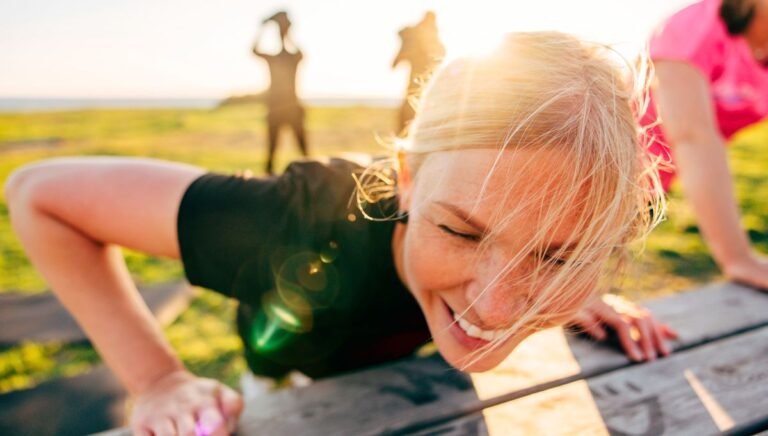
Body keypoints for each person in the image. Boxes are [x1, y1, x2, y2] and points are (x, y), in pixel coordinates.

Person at [6, 32, 675, 436]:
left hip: (415, 376)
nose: (498, 309)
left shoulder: (534, 274)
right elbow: (39, 195)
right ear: (407, 177)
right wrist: (155, 379)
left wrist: (569, 294)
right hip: (292, 382)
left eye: (559, 252)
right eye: (461, 232)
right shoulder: (298, 221)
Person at [639, 0, 768, 290]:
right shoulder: (694, 28)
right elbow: (693, 137)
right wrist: (739, 258)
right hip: (599, 167)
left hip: (657, 181)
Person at [252, 11, 308, 175]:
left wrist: (270, 29)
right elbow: (254, 51)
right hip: (279, 109)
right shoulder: (277, 58)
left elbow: (254, 50)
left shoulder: (288, 58)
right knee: (271, 152)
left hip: (288, 109)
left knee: (303, 150)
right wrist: (270, 29)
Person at [392, 11, 446, 134]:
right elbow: (395, 63)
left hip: (425, 92)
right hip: (418, 91)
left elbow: (442, 54)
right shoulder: (418, 39)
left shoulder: (428, 40)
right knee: (409, 122)